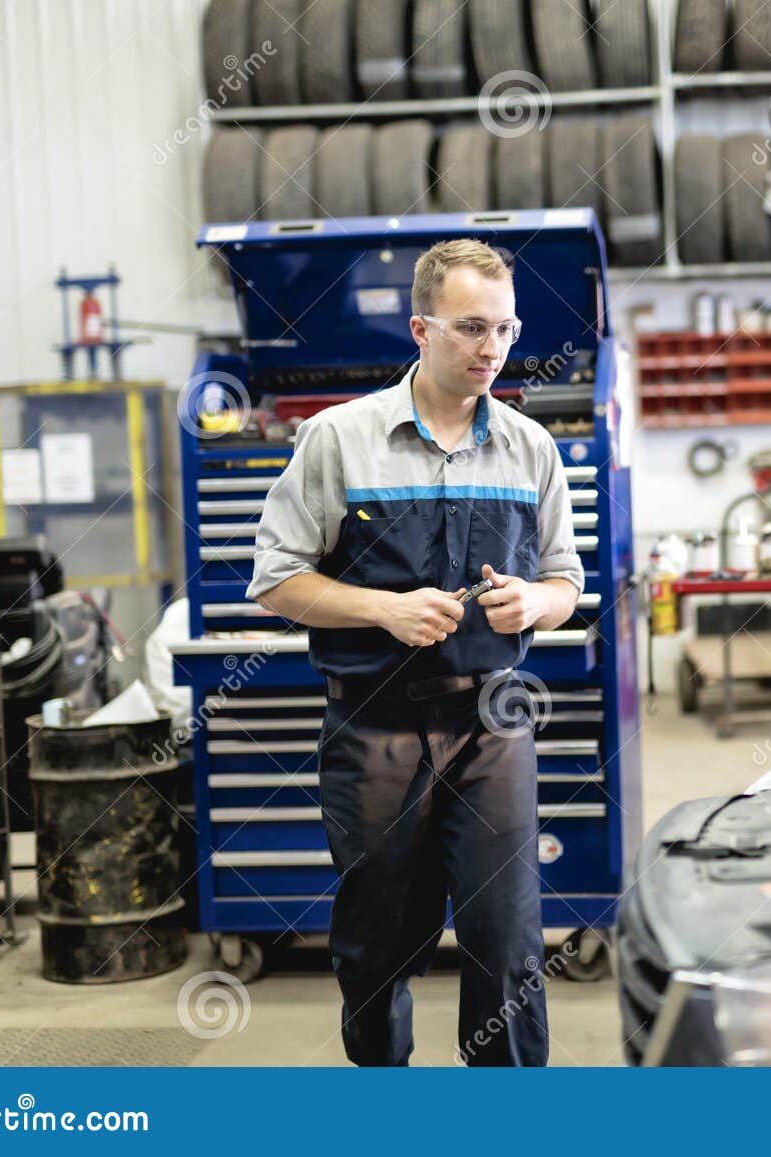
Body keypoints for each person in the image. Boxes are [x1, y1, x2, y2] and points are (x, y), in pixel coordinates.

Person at [246, 238, 582, 1066]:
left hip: (491, 725)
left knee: (508, 943)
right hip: (375, 727)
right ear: (421, 329)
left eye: (504, 328)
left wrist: (535, 601)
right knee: (378, 945)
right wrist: (383, 610)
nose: (491, 348)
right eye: (471, 327)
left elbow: (566, 579)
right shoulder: (338, 438)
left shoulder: (530, 448)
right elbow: (276, 579)